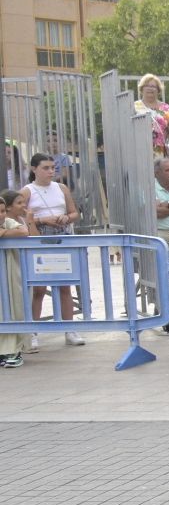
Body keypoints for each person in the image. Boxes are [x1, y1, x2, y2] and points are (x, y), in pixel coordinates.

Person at [21, 153, 84, 350]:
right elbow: (20, 216)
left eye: (52, 168)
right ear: (34, 169)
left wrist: (66, 218)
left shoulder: (61, 188)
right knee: (38, 288)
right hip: (38, 238)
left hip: (61, 236)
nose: (50, 171)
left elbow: (75, 212)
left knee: (65, 285)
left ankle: (69, 329)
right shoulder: (27, 191)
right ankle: (32, 331)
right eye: (45, 168)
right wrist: (41, 220)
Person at [0, 190, 30, 368]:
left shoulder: (10, 222)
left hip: (9, 276)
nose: (2, 215)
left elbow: (23, 231)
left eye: (3, 211)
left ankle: (13, 350)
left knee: (11, 309)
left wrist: (2, 232)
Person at [137, 74, 169, 158]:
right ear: (142, 88)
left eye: (153, 86)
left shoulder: (166, 108)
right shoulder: (134, 106)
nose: (150, 88)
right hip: (139, 150)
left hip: (161, 151)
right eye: (147, 85)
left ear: (158, 90)